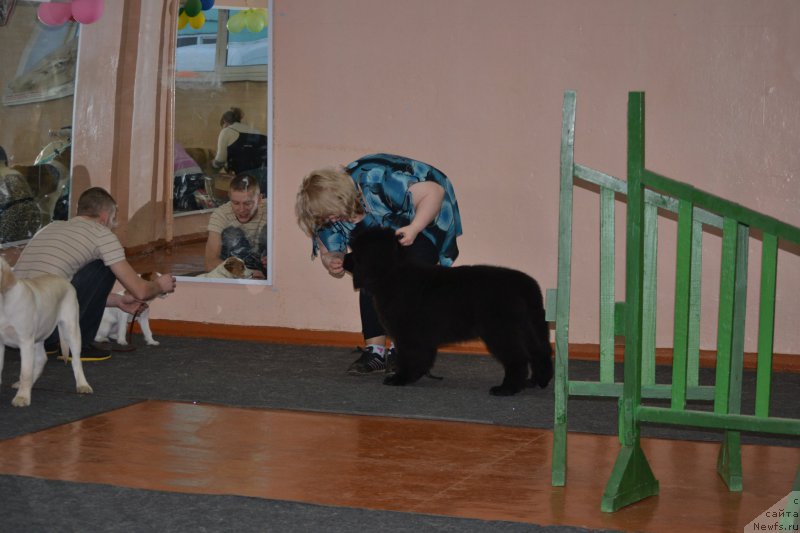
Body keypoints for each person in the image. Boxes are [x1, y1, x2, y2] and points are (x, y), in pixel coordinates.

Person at [295, 153, 462, 375]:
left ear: (342, 198)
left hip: (424, 215)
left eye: (332, 215)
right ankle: (375, 352)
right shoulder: (325, 213)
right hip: (377, 221)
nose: (331, 221)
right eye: (325, 218)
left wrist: (414, 228)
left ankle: (401, 349)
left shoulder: (378, 179)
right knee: (369, 268)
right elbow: (329, 248)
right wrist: (333, 259)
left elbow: (435, 192)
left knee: (409, 280)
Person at [12, 187, 177, 360]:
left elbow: (70, 289)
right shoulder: (102, 234)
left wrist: (118, 301)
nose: (112, 226)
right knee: (104, 265)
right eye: (113, 220)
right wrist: (159, 285)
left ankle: (48, 344)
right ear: (105, 217)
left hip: (12, 328)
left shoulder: (49, 228)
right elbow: (140, 291)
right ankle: (78, 344)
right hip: (42, 328)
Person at [204, 173, 268, 278]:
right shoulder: (220, 215)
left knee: (268, 231)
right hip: (240, 270)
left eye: (247, 203)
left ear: (260, 199)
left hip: (267, 267)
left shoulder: (273, 208)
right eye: (236, 203)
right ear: (229, 197)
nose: (241, 209)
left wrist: (277, 259)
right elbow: (210, 263)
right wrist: (246, 273)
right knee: (231, 234)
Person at [212, 107, 268, 194]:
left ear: (225, 122)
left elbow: (220, 160)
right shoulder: (255, 131)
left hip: (248, 178)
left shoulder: (227, 131)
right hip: (268, 175)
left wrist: (212, 166)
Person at [173, 141, 205, 212]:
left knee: (181, 206)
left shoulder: (160, 145)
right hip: (197, 171)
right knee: (195, 203)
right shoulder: (175, 143)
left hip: (182, 174)